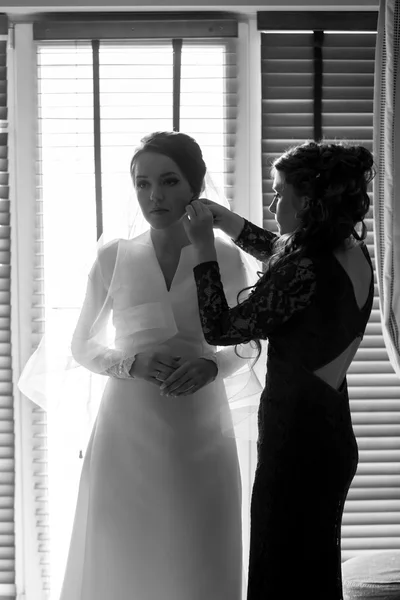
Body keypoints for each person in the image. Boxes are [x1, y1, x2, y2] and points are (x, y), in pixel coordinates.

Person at [45, 131, 262, 600]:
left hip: (201, 429)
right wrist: (131, 364)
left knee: (196, 549)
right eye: (143, 184)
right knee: (124, 550)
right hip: (127, 432)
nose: (154, 196)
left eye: (168, 181)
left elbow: (247, 346)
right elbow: (81, 345)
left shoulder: (224, 257)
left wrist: (211, 368)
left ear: (194, 187)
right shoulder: (113, 257)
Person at [166, 141, 375, 600]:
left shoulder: (306, 265)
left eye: (280, 193)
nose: (273, 202)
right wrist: (227, 222)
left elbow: (222, 328)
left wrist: (203, 246)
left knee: (279, 568)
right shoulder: (347, 247)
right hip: (330, 434)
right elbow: (280, 253)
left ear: (309, 201)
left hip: (296, 440)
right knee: (312, 571)